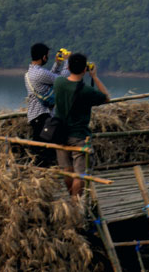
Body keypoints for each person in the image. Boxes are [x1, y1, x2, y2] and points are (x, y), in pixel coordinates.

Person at [53, 53, 110, 198]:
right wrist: (95, 77)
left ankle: (72, 200)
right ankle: (75, 203)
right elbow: (106, 97)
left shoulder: (59, 82)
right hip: (79, 136)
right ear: (85, 69)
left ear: (68, 67)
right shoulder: (87, 91)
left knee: (66, 170)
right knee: (80, 174)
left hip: (60, 134)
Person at [24, 42, 68, 166]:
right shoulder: (39, 73)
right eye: (47, 56)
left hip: (37, 117)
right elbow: (61, 80)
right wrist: (67, 62)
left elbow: (50, 77)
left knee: (41, 149)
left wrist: (57, 64)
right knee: (44, 150)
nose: (47, 58)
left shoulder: (31, 72)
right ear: (44, 57)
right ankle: (44, 170)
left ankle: (41, 171)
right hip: (41, 116)